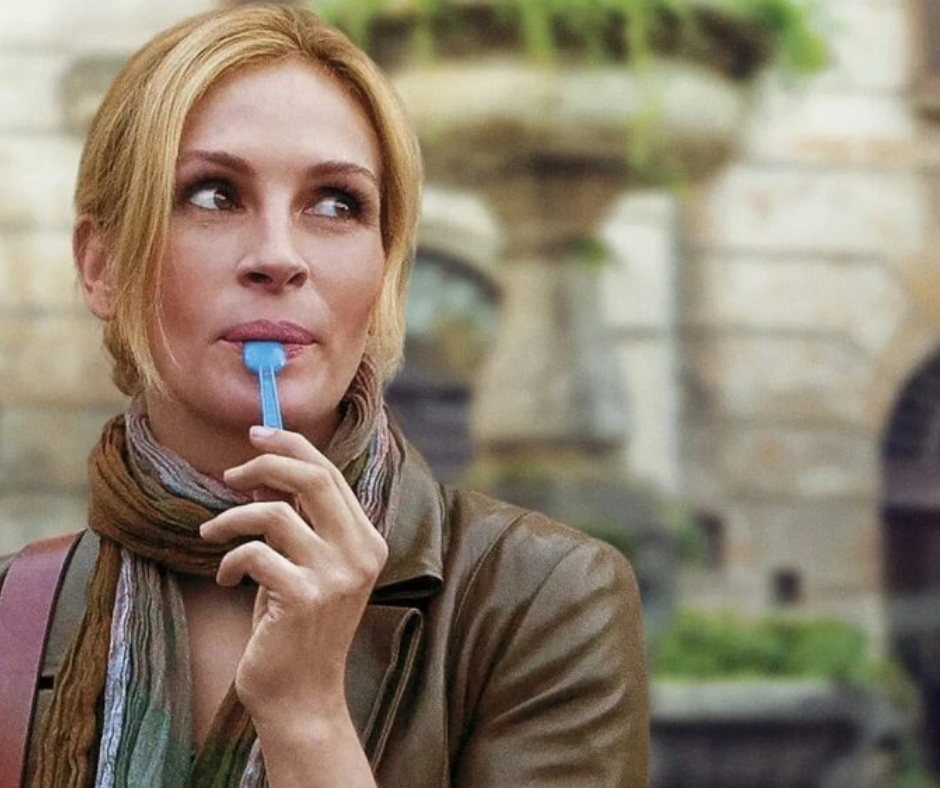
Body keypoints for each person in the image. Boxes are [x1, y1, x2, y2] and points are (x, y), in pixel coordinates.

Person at [0, 5, 649, 786]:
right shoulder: (15, 613)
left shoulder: (543, 599)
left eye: (336, 203)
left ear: (383, 269)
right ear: (101, 265)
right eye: (213, 194)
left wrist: (307, 714)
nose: (279, 257)